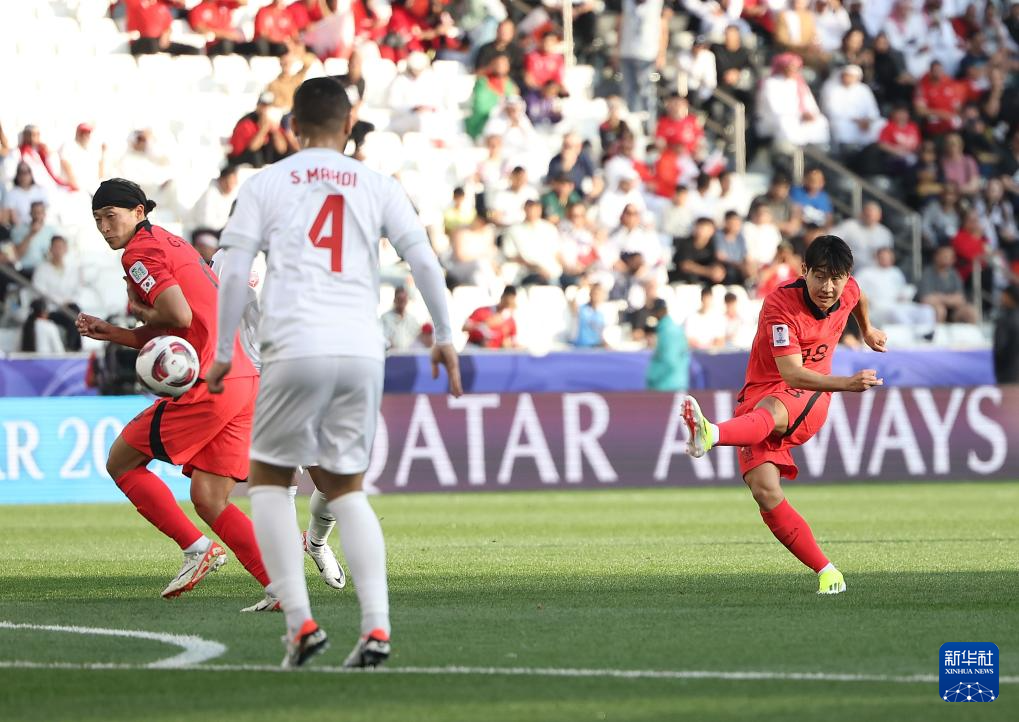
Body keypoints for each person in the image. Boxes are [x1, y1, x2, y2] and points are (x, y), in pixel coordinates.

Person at [207, 77, 461, 668]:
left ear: (293, 127)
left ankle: (300, 624)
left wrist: (222, 350)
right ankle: (376, 629)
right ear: (349, 126)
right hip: (362, 351)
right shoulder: (378, 184)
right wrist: (446, 336)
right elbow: (424, 259)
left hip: (294, 345)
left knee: (270, 482)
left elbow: (235, 268)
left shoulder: (266, 183)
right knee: (347, 490)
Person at [75, 178, 270, 610]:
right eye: (97, 220)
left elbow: (176, 315)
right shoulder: (172, 243)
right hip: (241, 377)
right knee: (210, 498)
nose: (104, 227)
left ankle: (196, 549)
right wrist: (116, 332)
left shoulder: (138, 253)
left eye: (111, 216)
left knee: (121, 462)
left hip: (210, 385)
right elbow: (186, 319)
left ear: (139, 213)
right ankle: (281, 587)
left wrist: (138, 309)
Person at [682, 235, 887, 595]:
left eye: (836, 279)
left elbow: (858, 298)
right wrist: (848, 383)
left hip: (812, 393)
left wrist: (867, 329)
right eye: (819, 277)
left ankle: (711, 434)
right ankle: (828, 573)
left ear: (847, 276)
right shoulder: (780, 304)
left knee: (772, 409)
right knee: (764, 490)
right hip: (768, 390)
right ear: (804, 271)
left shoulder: (848, 289)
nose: (828, 287)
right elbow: (790, 372)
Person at [855, 247, 936, 339]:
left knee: (927, 310)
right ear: (877, 257)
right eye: (883, 257)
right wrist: (867, 301)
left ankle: (926, 334)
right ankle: (913, 337)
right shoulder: (866, 273)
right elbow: (856, 290)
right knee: (897, 313)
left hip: (898, 304)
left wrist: (906, 293)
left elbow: (902, 289)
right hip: (878, 308)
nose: (886, 260)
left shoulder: (896, 272)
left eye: (888, 257)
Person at [617, 0, 672, 128]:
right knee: (628, 91)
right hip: (627, 52)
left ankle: (649, 126)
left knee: (646, 91)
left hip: (647, 54)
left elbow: (663, 27)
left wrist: (661, 53)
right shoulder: (627, 2)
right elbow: (620, 22)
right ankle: (631, 127)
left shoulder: (656, 3)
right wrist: (617, 48)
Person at [30, 235, 83, 351]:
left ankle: (72, 348)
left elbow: (77, 291)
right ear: (50, 249)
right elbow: (39, 292)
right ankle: (72, 347)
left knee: (75, 313)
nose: (58, 250)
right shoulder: (42, 269)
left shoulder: (72, 269)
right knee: (72, 316)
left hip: (67, 307)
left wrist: (67, 302)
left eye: (61, 247)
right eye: (56, 247)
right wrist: (60, 302)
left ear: (66, 249)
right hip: (49, 309)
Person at [228, 92, 291, 168]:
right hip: (240, 161)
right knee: (256, 156)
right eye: (263, 106)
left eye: (268, 106)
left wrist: (275, 132)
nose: (265, 109)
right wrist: (263, 130)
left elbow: (282, 149)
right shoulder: (246, 123)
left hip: (264, 162)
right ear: (258, 106)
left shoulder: (273, 124)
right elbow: (252, 148)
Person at [917, 245, 977, 324]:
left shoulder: (954, 274)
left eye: (950, 257)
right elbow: (926, 299)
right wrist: (950, 299)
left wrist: (940, 297)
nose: (948, 259)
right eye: (945, 256)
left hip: (952, 309)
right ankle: (937, 331)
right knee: (940, 310)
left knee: (970, 311)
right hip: (933, 309)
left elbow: (960, 299)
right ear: (936, 256)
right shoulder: (928, 273)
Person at [831, 202, 892, 271]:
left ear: (879, 216)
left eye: (873, 215)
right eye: (868, 214)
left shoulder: (885, 234)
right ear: (862, 213)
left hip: (874, 272)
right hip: (848, 268)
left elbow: (887, 257)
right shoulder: (849, 225)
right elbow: (831, 239)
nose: (870, 217)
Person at [644, 298, 689, 392]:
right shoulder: (674, 329)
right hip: (676, 382)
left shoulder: (667, 332)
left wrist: (652, 377)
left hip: (667, 385)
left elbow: (669, 361)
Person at [189, 165, 239, 234]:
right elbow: (205, 222)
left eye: (233, 183)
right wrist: (225, 225)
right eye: (228, 182)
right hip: (202, 232)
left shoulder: (233, 196)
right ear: (221, 180)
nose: (230, 186)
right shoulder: (210, 194)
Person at [59, 123, 106, 194]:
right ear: (78, 133)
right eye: (83, 132)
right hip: (73, 192)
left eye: (88, 132)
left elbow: (100, 174)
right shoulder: (69, 146)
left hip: (90, 190)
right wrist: (75, 186)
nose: (85, 135)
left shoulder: (90, 149)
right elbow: (66, 166)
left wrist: (103, 153)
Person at [381, 286, 422, 351]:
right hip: (391, 354)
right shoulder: (385, 318)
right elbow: (382, 338)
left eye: (404, 299)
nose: (402, 302)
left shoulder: (412, 319)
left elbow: (419, 337)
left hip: (409, 355)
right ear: (395, 300)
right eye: (399, 299)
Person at [993, 285, 1019, 384]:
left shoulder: (1004, 320)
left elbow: (1000, 347)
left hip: (1007, 373)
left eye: (1004, 295)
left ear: (1010, 297)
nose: (1001, 298)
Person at [572, 284, 607, 348]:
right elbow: (573, 306)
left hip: (596, 347)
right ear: (590, 294)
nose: (597, 297)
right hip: (582, 347)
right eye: (595, 294)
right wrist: (579, 288)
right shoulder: (582, 309)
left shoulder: (601, 314)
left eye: (599, 294)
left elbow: (600, 334)